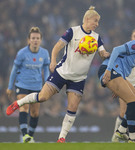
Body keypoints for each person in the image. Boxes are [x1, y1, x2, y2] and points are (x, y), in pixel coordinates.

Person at [6, 6, 110, 143]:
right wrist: (53, 60)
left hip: (79, 78)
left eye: (98, 22)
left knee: (72, 108)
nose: (97, 24)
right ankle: (18, 103)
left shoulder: (97, 38)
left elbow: (103, 53)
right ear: (86, 19)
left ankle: (61, 138)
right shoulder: (73, 31)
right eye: (95, 21)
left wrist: (107, 54)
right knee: (42, 97)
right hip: (62, 72)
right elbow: (57, 46)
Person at [6, 27, 50, 143]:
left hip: (37, 86)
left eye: (37, 38)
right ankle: (25, 135)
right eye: (33, 38)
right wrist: (10, 87)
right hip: (22, 85)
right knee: (23, 107)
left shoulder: (44, 53)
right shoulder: (21, 53)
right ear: (28, 40)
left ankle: (30, 136)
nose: (35, 40)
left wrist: (47, 83)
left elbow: (46, 69)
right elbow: (14, 70)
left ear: (41, 40)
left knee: (35, 113)